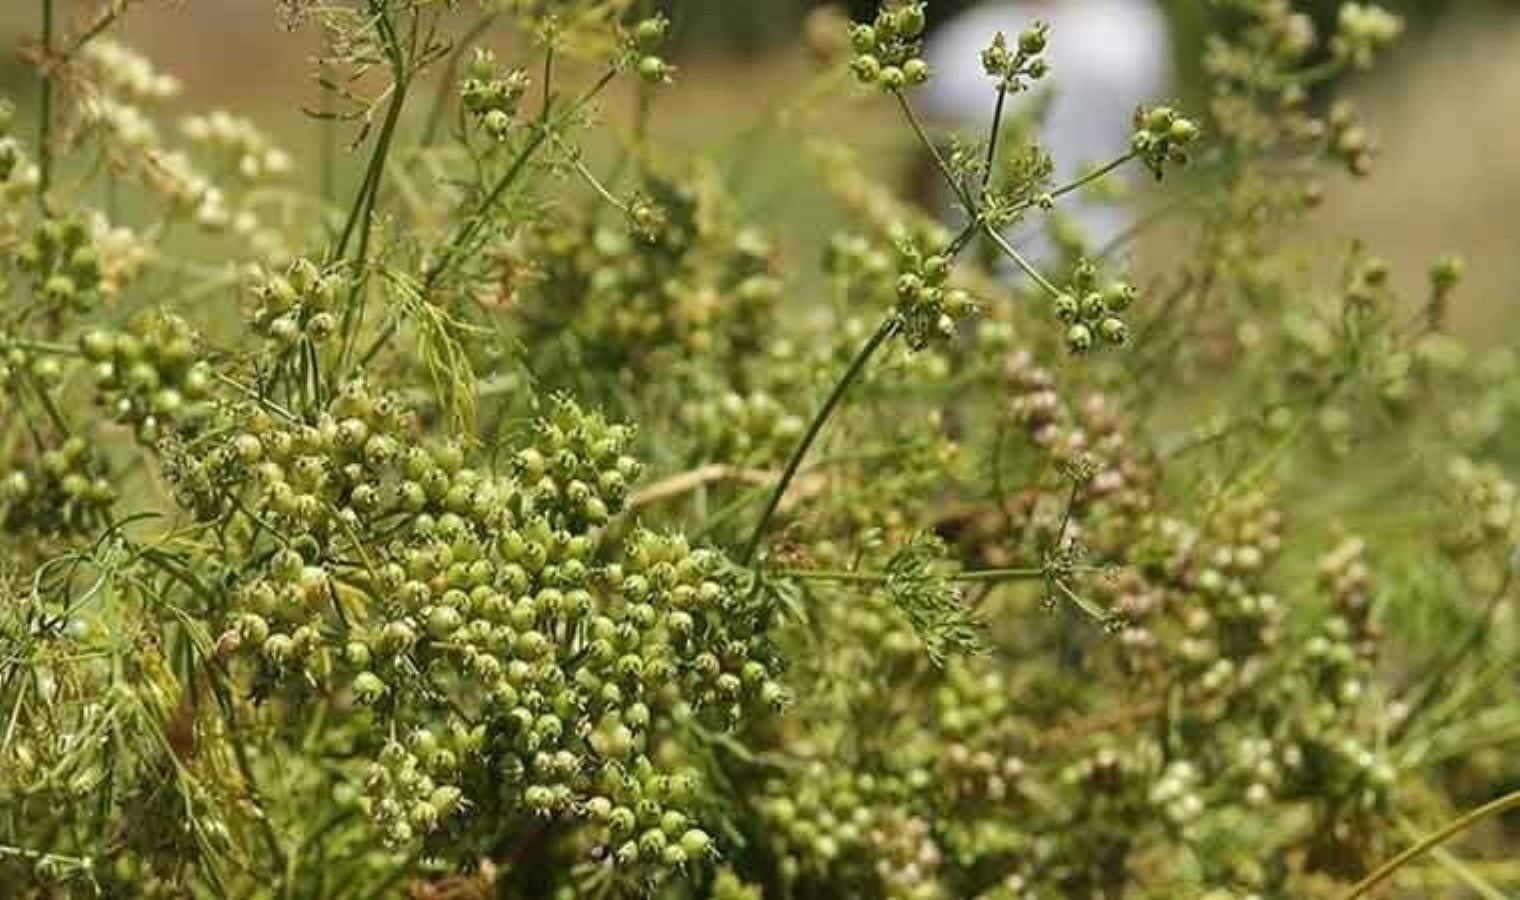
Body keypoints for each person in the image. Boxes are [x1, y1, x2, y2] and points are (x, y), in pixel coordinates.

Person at [920, 0, 1173, 263]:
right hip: (974, 272)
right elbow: (927, 178)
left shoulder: (1135, 31)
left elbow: (1151, 155)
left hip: (1097, 265)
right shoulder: (958, 49)